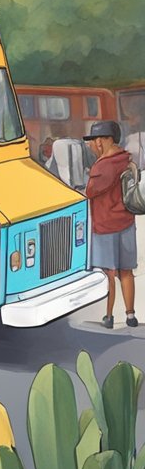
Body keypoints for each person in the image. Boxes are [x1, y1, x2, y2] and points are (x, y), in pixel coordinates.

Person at [84, 121, 137, 328]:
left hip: (105, 226)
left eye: (95, 140)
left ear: (104, 140)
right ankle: (131, 315)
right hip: (126, 222)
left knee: (109, 273)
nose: (93, 144)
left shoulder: (104, 165)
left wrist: (95, 165)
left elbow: (90, 191)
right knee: (126, 271)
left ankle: (108, 316)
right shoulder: (125, 159)